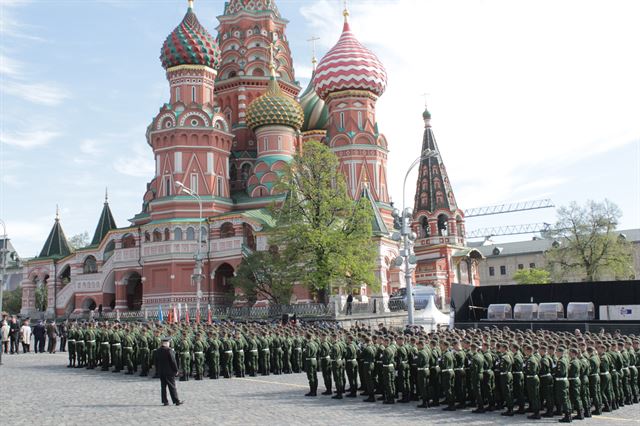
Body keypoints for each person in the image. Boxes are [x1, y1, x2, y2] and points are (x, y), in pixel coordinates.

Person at [154, 337, 183, 406]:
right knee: (172, 386)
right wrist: (176, 370)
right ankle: (176, 401)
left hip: (161, 371)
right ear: (167, 343)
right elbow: (173, 361)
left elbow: (156, 362)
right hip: (169, 372)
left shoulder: (158, 351)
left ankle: (165, 401)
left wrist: (158, 370)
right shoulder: (169, 350)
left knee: (163, 387)